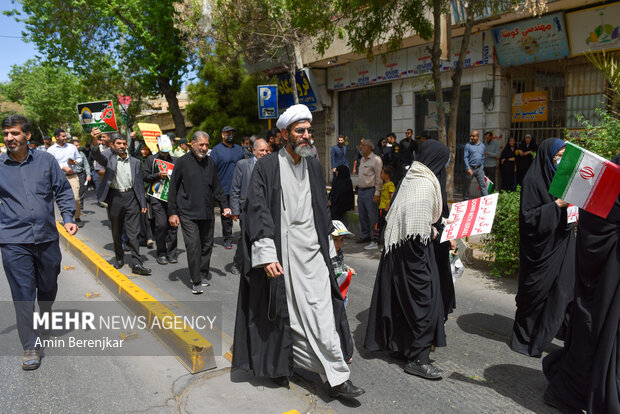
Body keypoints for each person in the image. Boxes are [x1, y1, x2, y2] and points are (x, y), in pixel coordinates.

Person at [232, 104, 364, 400]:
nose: (307, 136)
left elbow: (321, 210)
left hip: (314, 253)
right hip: (283, 255)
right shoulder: (266, 167)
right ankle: (286, 365)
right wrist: (266, 255)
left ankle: (337, 377)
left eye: (309, 131)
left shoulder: (314, 165)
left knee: (321, 313)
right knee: (287, 315)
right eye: (299, 131)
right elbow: (258, 210)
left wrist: (332, 250)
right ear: (284, 134)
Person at [542, 155, 620, 414]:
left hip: (605, 282)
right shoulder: (608, 187)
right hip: (602, 282)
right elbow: (595, 230)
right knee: (594, 336)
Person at [0, 115, 78, 370]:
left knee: (48, 284)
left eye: (14, 133)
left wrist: (67, 217)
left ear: (27, 135)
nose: (9, 138)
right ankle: (30, 346)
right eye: (6, 134)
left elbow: (63, 190)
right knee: (22, 294)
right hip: (13, 239)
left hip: (46, 237)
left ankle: (45, 314)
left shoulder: (46, 161)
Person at [364, 155, 446, 380]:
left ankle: (403, 347)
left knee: (403, 303)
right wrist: (430, 231)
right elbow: (418, 224)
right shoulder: (425, 183)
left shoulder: (411, 177)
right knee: (424, 304)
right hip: (415, 255)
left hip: (398, 251)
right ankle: (419, 360)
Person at [510, 138, 575, 358]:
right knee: (534, 295)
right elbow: (529, 219)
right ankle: (524, 339)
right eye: (559, 156)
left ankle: (548, 336)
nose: (561, 160)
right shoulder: (533, 180)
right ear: (549, 155)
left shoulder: (564, 179)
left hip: (563, 243)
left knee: (564, 291)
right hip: (539, 250)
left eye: (565, 156)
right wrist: (556, 206)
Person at [168, 131, 232, 294]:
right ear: (193, 144)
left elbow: (217, 187)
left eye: (206, 145)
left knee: (206, 246)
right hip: (187, 213)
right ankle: (195, 279)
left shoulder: (210, 162)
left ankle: (202, 274)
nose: (204, 148)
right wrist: (173, 212)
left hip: (207, 212)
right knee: (194, 246)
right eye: (201, 145)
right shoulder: (182, 163)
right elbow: (173, 188)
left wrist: (225, 205)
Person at [91, 131, 151, 276]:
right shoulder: (108, 158)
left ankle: (137, 263)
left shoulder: (135, 162)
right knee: (117, 230)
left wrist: (143, 202)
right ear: (112, 144)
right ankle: (119, 257)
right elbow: (97, 155)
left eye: (124, 143)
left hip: (132, 198)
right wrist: (94, 140)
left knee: (133, 233)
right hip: (115, 197)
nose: (122, 146)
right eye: (119, 143)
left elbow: (139, 184)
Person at [416, 139, 456, 321]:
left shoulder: (437, 178)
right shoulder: (418, 183)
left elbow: (442, 212)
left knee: (441, 282)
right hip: (422, 247)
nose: (446, 165)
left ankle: (439, 319)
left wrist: (450, 235)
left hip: (439, 243)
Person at [230, 138, 270, 274]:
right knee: (244, 237)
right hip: (246, 209)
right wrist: (235, 210)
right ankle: (237, 264)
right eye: (261, 150)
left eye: (266, 151)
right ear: (254, 151)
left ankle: (259, 264)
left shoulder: (270, 166)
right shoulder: (243, 165)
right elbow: (235, 189)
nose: (264, 153)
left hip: (264, 209)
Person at [143, 139, 177, 265]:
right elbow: (145, 176)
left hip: (172, 197)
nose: (164, 154)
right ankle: (161, 252)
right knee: (161, 225)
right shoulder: (151, 160)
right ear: (157, 146)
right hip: (156, 197)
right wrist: (157, 175)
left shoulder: (175, 161)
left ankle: (172, 253)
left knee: (173, 226)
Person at [209, 125, 244, 249]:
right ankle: (228, 238)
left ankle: (244, 237)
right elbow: (212, 170)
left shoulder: (239, 149)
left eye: (232, 133)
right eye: (227, 133)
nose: (230, 135)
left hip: (240, 188)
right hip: (225, 188)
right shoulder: (216, 151)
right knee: (227, 215)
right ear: (222, 135)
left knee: (243, 213)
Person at [47, 128, 83, 223]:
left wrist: (74, 162)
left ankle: (77, 215)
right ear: (57, 137)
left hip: (72, 176)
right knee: (62, 199)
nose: (65, 138)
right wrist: (63, 167)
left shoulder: (72, 147)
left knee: (75, 198)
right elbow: (50, 163)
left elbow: (79, 159)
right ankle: (67, 220)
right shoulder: (51, 150)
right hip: (59, 178)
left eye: (65, 136)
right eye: (63, 136)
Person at [357, 139, 383, 247]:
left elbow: (379, 177)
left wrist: (377, 192)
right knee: (362, 215)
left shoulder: (376, 160)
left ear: (369, 147)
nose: (360, 147)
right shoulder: (362, 159)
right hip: (361, 191)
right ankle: (365, 236)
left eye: (363, 145)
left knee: (373, 216)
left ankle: (375, 238)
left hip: (371, 191)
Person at [367, 165, 395, 250]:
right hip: (381, 209)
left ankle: (387, 244)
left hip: (386, 209)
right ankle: (375, 241)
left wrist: (388, 205)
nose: (380, 175)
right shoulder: (384, 184)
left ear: (387, 175)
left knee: (387, 227)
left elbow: (392, 196)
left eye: (382, 173)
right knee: (378, 226)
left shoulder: (390, 185)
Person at [331, 220, 356, 308]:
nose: (339, 243)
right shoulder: (325, 255)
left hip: (342, 290)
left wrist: (347, 268)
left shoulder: (339, 252)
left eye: (341, 240)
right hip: (331, 292)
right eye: (335, 239)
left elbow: (341, 264)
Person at [464, 130, 487, 199]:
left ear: (478, 136)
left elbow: (483, 156)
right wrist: (468, 168)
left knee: (483, 185)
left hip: (479, 168)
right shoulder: (468, 146)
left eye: (473, 136)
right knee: (467, 185)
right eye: (471, 136)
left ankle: (485, 200)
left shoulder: (482, 145)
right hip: (471, 168)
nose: (471, 137)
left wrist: (481, 166)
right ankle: (465, 200)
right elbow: (465, 157)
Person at [72, 137, 92, 214]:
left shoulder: (81, 154)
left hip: (81, 175)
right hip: (72, 175)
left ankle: (80, 209)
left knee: (81, 191)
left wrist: (88, 175)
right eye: (76, 145)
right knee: (73, 193)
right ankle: (72, 209)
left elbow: (86, 165)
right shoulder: (68, 155)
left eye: (78, 145)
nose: (78, 146)